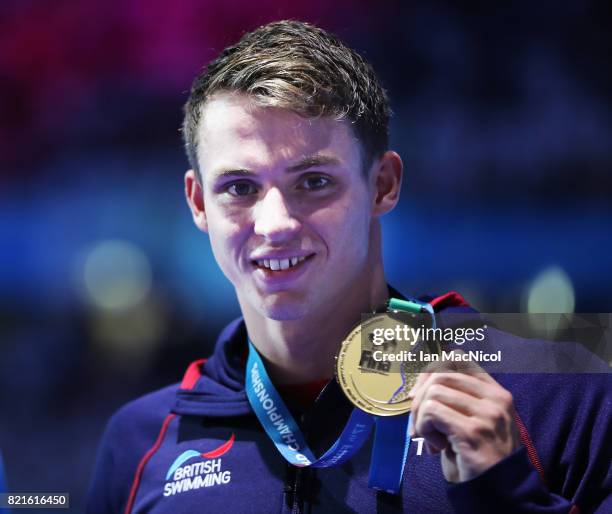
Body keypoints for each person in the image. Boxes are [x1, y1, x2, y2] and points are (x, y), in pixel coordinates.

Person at [86, 20, 611, 513]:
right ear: (199, 203)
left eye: (313, 181)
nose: (274, 224)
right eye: (239, 188)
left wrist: (505, 494)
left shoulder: (562, 399)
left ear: (382, 185)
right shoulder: (140, 444)